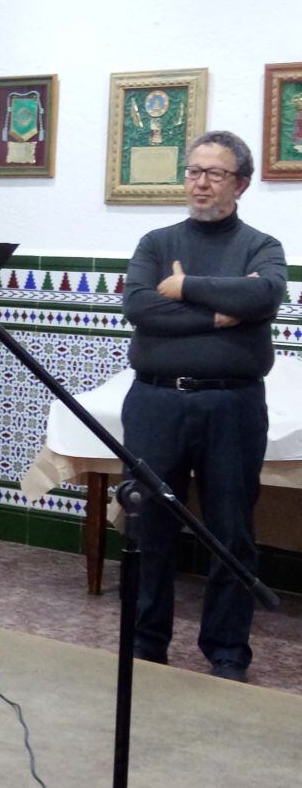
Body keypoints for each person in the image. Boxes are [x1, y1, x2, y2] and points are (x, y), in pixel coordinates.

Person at [121, 130, 287, 683]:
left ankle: (227, 652)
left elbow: (262, 295)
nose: (200, 183)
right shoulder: (155, 242)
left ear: (241, 184)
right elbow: (141, 308)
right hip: (156, 401)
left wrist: (185, 285)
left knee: (230, 530)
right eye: (193, 171)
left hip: (231, 405)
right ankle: (145, 643)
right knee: (148, 527)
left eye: (215, 173)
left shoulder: (262, 246)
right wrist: (219, 312)